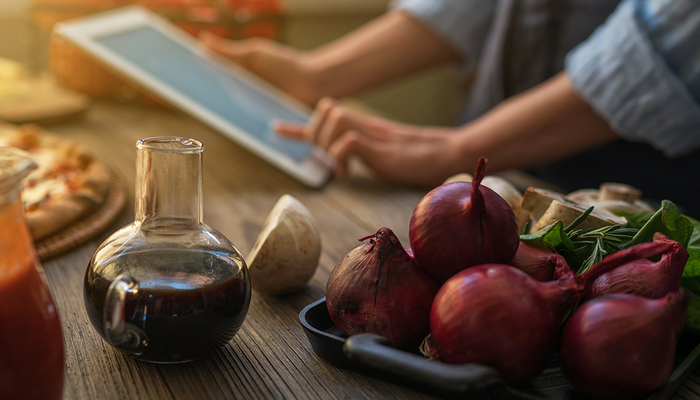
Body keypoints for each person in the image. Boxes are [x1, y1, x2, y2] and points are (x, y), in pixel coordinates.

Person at [200, 0, 700, 217]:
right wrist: (320, 75)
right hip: (500, 166)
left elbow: (678, 34)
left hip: (647, 197)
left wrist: (462, 148)